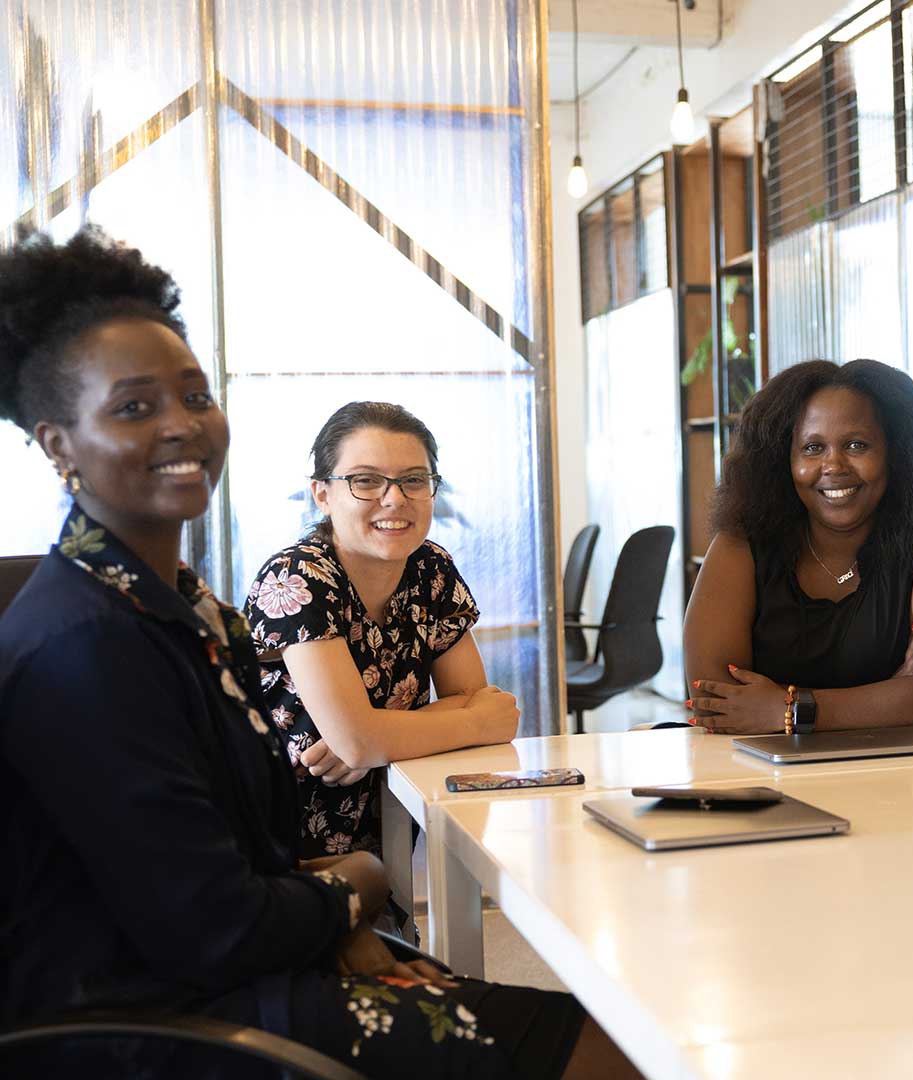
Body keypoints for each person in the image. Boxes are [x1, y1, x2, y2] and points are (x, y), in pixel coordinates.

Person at [0, 228, 634, 1077]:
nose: (182, 426)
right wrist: (362, 884)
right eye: (133, 407)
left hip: (242, 964)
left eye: (195, 396)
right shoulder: (87, 642)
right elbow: (215, 927)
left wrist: (341, 910)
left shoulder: (174, 606)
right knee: (602, 1049)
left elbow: (252, 840)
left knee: (583, 1019)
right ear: (58, 445)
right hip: (154, 1021)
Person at [243, 401, 518, 861]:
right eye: (365, 480)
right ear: (322, 494)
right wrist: (367, 738)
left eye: (414, 479)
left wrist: (371, 737)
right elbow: (479, 717)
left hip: (385, 817)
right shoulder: (296, 576)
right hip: (276, 843)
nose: (395, 499)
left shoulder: (431, 568)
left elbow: (472, 698)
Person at [682, 359, 913, 733]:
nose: (834, 465)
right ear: (783, 459)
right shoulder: (740, 545)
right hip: (759, 774)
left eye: (857, 445)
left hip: (902, 774)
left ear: (896, 453)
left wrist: (787, 708)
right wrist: (894, 694)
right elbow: (719, 703)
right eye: (812, 448)